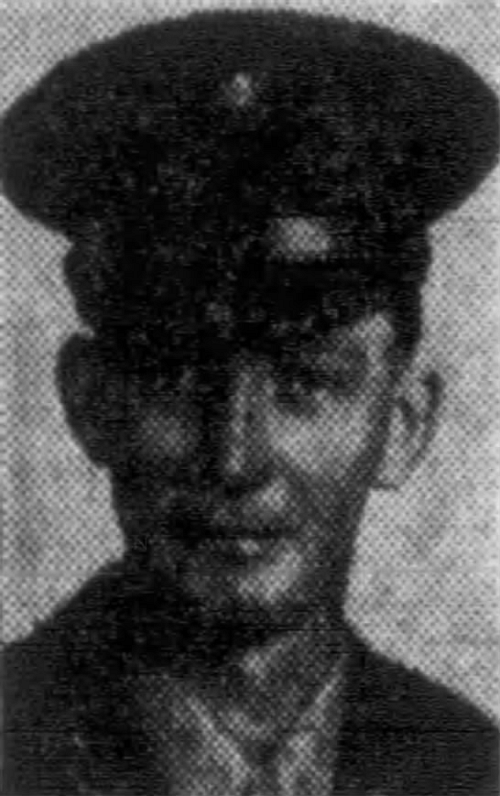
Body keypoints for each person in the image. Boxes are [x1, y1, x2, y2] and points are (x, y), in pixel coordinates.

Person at [2, 10, 499, 796]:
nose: (236, 458)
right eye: (176, 378)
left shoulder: (472, 769)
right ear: (91, 403)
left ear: (404, 422)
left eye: (306, 384)